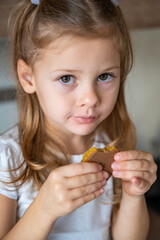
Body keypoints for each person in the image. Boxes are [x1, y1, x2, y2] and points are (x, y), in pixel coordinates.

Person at [0, 0, 157, 239]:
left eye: (104, 76)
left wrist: (134, 194)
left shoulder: (112, 142)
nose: (91, 98)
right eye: (66, 78)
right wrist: (44, 209)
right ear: (28, 77)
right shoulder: (8, 158)